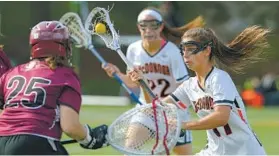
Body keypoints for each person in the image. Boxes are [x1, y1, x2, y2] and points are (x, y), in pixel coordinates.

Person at [129, 26, 269, 155]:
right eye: (183, 49)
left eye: (191, 48)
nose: (185, 54)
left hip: (245, 152)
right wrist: (143, 84)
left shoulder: (219, 78)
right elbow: (157, 109)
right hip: (216, 151)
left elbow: (221, 117)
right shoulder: (189, 86)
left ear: (207, 50)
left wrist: (183, 125)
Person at [103, 8, 204, 155]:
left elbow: (184, 85)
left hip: (172, 112)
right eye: (144, 26)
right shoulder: (133, 49)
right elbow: (132, 83)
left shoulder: (172, 51)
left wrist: (168, 106)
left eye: (153, 26)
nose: (148, 31)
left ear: (161, 27)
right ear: (139, 27)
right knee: (130, 150)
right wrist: (117, 74)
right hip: (146, 111)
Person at [0, 21, 108, 155]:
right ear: (62, 47)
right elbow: (70, 127)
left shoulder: (12, 73)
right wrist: (89, 137)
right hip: (38, 140)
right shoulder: (65, 76)